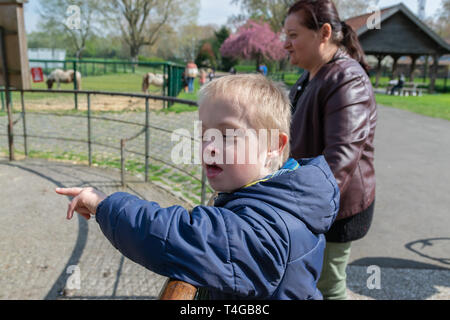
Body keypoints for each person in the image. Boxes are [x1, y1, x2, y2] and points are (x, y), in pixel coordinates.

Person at [55, 74, 340, 300]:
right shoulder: (283, 201)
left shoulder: (265, 228)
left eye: (227, 134)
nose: (209, 147)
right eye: (204, 135)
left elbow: (180, 235)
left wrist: (104, 204)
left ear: (272, 146)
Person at [283, 0, 377, 300]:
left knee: (328, 286)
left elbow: (339, 161)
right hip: (312, 204)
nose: (286, 44)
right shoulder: (310, 75)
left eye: (294, 35)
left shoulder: (347, 79)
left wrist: (295, 211)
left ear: (323, 32)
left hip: (336, 209)